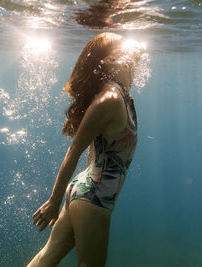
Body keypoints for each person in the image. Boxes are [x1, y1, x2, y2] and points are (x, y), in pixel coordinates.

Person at [27, 32, 143, 267]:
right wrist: (53, 200)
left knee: (47, 258)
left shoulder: (121, 94)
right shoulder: (110, 98)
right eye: (124, 49)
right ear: (110, 61)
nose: (132, 53)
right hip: (94, 198)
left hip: (87, 192)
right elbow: (75, 149)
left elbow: (96, 146)